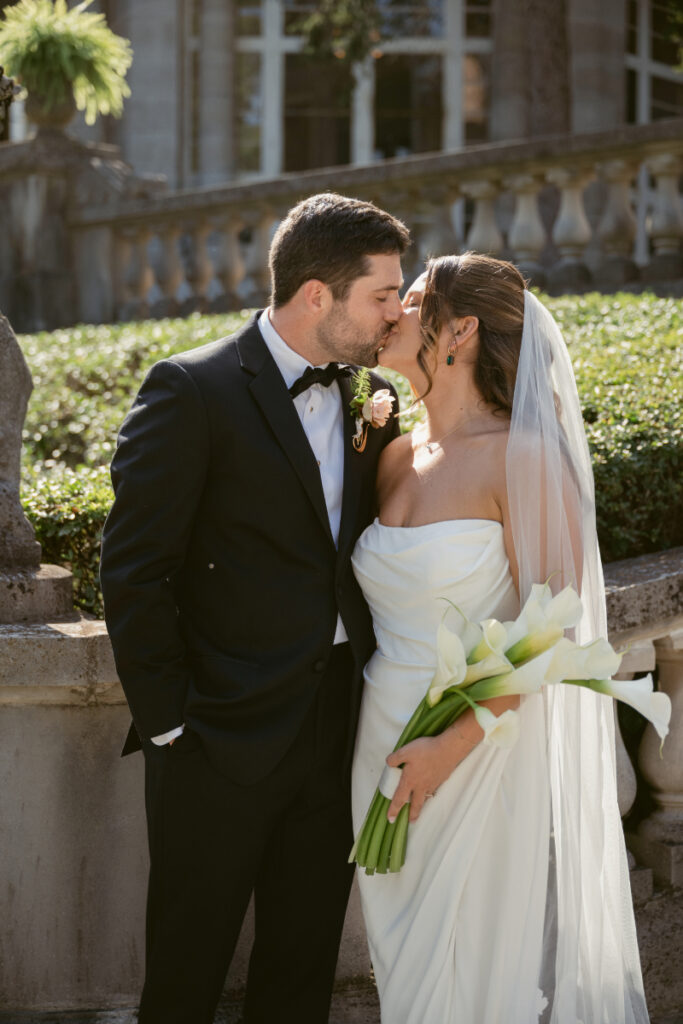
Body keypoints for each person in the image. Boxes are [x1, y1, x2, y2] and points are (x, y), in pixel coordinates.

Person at [99, 192, 409, 1024]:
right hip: (215, 739)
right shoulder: (190, 390)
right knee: (185, 971)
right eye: (382, 294)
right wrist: (170, 725)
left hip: (335, 724)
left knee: (299, 972)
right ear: (318, 295)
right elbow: (133, 571)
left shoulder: (371, 395)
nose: (397, 311)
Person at [351, 252, 649, 1023]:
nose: (391, 313)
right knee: (405, 971)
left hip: (474, 750)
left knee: (474, 973)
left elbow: (552, 626)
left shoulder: (522, 457)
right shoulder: (388, 455)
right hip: (378, 740)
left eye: (410, 301)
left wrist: (450, 743)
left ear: (459, 329)